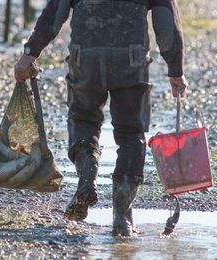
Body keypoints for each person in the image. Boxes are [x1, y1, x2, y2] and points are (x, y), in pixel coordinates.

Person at [14, 0, 188, 237]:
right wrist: (176, 70)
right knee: (131, 133)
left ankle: (87, 180)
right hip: (131, 60)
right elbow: (166, 26)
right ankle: (122, 219)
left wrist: (30, 53)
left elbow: (54, 16)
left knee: (83, 120)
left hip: (85, 58)